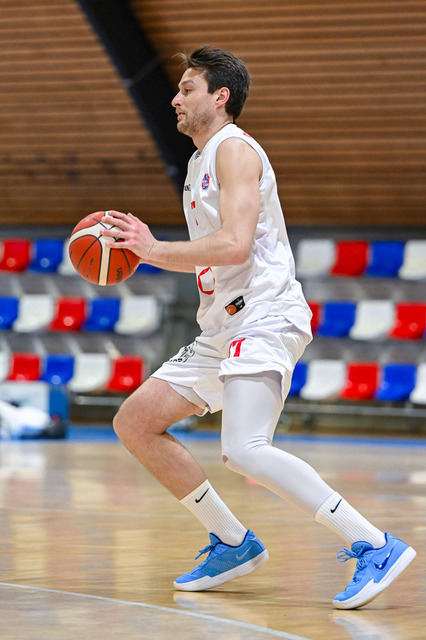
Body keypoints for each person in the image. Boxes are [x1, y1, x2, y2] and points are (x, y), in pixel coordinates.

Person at [100, 45, 416, 609]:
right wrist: (154, 252)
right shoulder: (200, 162)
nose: (175, 99)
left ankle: (375, 545)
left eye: (187, 89)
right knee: (136, 422)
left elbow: (235, 245)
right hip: (222, 327)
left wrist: (151, 249)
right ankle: (232, 542)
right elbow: (216, 255)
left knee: (244, 449)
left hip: (265, 314)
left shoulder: (234, 150)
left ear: (220, 97)